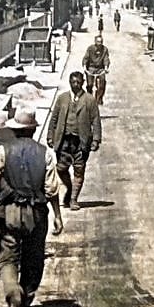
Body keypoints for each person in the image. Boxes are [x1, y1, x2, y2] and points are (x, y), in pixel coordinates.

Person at [0, 107, 63, 307]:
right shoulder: (45, 153)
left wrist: (5, 188)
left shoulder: (3, 150)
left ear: (16, 130)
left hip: (9, 212)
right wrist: (57, 215)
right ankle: (25, 299)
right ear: (33, 130)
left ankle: (12, 290)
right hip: (36, 213)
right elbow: (51, 189)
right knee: (34, 258)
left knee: (6, 256)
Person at [46, 71, 102, 210]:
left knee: (79, 170)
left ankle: (73, 199)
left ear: (83, 82)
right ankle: (69, 187)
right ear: (70, 83)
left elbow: (96, 121)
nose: (76, 85)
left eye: (78, 82)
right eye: (73, 82)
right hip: (63, 140)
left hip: (81, 142)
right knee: (60, 168)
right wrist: (50, 135)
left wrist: (96, 140)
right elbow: (54, 118)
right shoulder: (62, 98)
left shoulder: (89, 100)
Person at [82, 35, 111, 105]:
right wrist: (85, 67)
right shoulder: (90, 48)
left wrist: (106, 68)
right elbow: (86, 58)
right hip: (91, 68)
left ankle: (99, 98)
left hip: (100, 69)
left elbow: (106, 59)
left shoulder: (104, 49)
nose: (99, 43)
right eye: (98, 42)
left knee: (102, 83)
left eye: (101, 42)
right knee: (90, 84)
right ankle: (89, 98)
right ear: (95, 42)